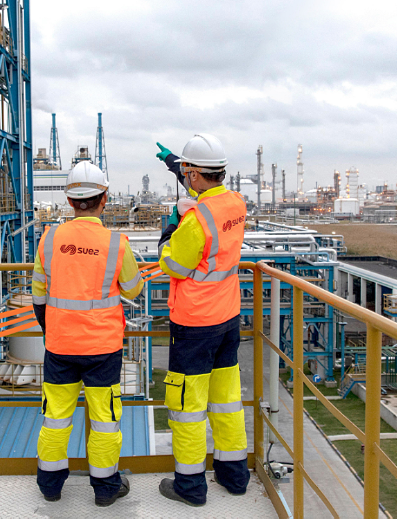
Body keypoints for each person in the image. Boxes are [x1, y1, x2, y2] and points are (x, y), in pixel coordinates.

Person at [32, 161, 145, 507]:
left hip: (60, 345)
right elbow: (134, 290)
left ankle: (50, 486)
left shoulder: (49, 239)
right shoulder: (116, 244)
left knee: (56, 418)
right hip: (102, 347)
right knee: (105, 419)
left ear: (69, 201)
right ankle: (105, 488)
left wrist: (53, 329)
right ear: (104, 199)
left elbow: (39, 296)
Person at [154, 133, 250, 507]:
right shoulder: (235, 203)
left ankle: (190, 487)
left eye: (187, 172)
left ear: (195, 176)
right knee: (226, 400)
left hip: (195, 324)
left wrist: (170, 225)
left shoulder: (194, 220)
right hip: (228, 316)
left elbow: (171, 264)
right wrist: (174, 161)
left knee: (187, 407)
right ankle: (234, 476)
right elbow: (200, 181)